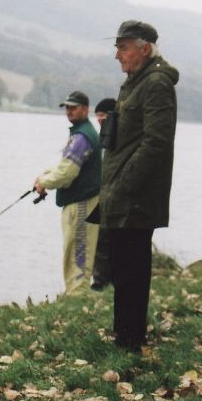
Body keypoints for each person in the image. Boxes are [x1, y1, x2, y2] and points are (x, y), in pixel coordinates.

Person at [98, 20, 179, 350]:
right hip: (121, 191)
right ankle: (124, 333)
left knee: (132, 267)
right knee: (122, 265)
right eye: (117, 47)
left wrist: (124, 184)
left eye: (123, 47)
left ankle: (131, 339)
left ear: (144, 49)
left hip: (136, 195)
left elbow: (157, 143)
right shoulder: (135, 82)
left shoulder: (156, 83)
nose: (117, 55)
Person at [34, 91, 102, 295]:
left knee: (79, 250)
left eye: (74, 107)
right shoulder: (82, 132)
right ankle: (74, 292)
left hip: (82, 202)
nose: (69, 111)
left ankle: (77, 295)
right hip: (81, 201)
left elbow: (67, 173)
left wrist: (44, 182)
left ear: (85, 109)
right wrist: (46, 175)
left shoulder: (82, 137)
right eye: (67, 107)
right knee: (73, 249)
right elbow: (66, 166)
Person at [91, 98, 116, 291]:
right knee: (101, 239)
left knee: (104, 239)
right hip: (102, 194)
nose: (99, 118)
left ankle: (101, 282)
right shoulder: (103, 135)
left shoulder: (114, 135)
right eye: (97, 115)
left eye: (103, 115)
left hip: (111, 195)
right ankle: (101, 280)